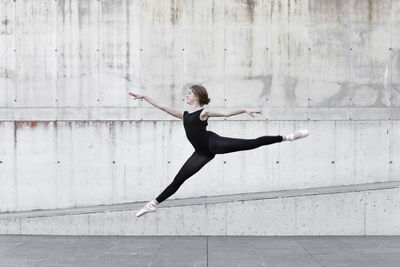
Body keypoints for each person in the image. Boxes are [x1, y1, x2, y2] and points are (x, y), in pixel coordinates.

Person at [129, 85, 309, 217]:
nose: (187, 95)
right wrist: (144, 97)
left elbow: (224, 113)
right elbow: (163, 107)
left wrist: (244, 109)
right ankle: (153, 204)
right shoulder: (184, 115)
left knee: (251, 143)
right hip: (201, 153)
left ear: (197, 96)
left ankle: (288, 137)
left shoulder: (203, 112)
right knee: (179, 179)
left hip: (213, 144)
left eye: (190, 93)